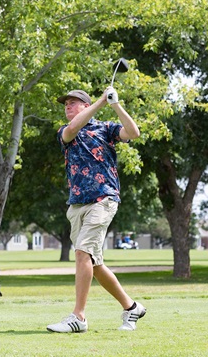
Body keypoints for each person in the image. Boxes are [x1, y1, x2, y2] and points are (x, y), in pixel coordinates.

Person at [47, 86, 146, 333]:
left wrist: (115, 104)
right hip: (77, 205)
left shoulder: (106, 129)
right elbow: (72, 130)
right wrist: (102, 100)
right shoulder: (65, 132)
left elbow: (133, 132)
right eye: (65, 104)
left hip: (104, 199)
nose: (67, 107)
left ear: (84, 105)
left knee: (82, 252)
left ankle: (78, 317)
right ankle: (131, 307)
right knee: (94, 263)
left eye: (72, 103)